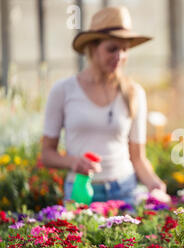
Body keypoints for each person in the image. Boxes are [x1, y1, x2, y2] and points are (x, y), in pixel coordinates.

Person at [41, 6, 169, 206]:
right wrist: (73, 161)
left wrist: (156, 186)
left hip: (124, 190)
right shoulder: (64, 90)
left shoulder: (134, 93)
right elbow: (47, 154)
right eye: (112, 48)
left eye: (125, 49)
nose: (120, 56)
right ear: (92, 48)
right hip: (80, 191)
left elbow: (138, 158)